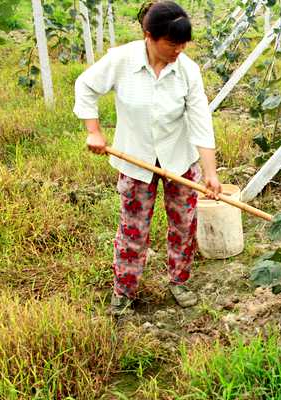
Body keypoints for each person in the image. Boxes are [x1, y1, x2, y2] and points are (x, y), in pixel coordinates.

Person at [73, 0, 221, 315]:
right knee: (133, 227)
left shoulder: (188, 71)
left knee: (183, 224)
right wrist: (94, 131)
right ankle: (124, 290)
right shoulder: (122, 60)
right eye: (171, 43)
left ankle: (179, 281)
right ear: (149, 35)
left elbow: (200, 122)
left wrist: (210, 173)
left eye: (183, 44)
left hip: (179, 160)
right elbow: (85, 86)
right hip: (135, 160)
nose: (178, 50)